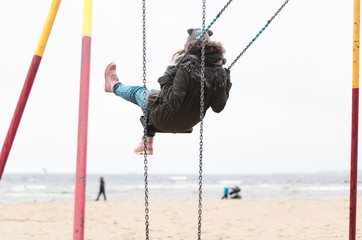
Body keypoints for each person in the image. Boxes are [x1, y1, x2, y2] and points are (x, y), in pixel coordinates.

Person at [104, 28, 232, 155]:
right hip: (188, 123)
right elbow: (218, 107)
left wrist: (167, 75)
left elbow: (174, 102)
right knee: (153, 94)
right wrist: (227, 82)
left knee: (138, 92)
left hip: (164, 119)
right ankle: (146, 143)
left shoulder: (186, 66)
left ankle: (114, 86)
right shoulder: (220, 72)